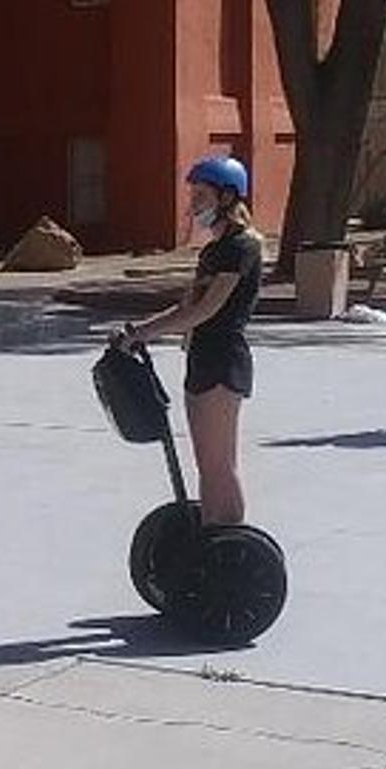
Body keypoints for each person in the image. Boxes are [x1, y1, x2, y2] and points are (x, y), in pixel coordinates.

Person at [116, 156, 262, 526]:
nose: (194, 204)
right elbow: (186, 307)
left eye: (201, 195)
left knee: (219, 465)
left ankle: (230, 542)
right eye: (192, 195)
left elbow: (206, 310)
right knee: (205, 464)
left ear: (227, 197)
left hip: (223, 360)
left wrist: (145, 333)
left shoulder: (241, 247)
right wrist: (139, 330)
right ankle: (211, 534)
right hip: (201, 357)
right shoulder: (214, 251)